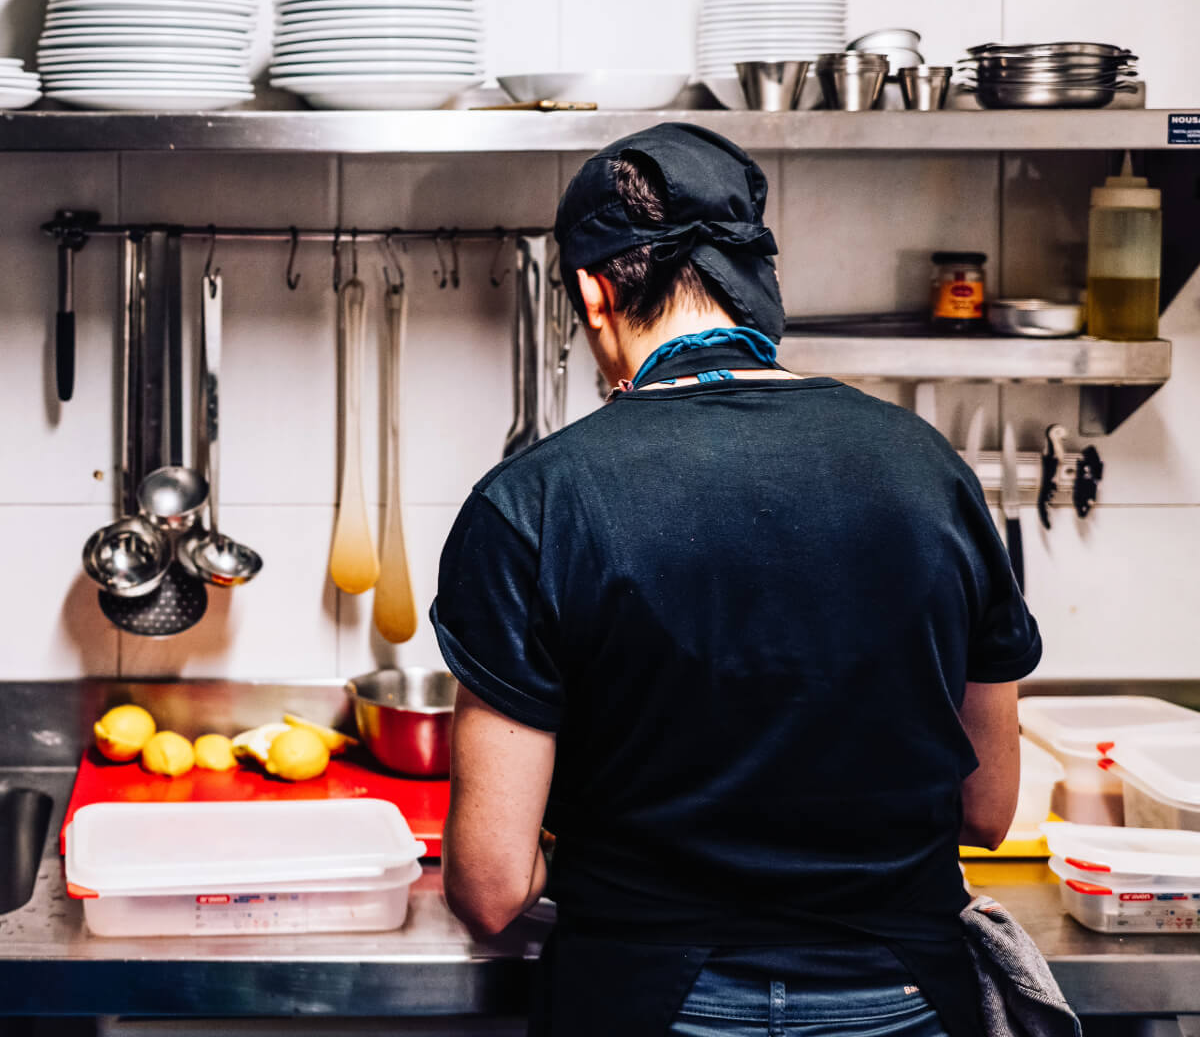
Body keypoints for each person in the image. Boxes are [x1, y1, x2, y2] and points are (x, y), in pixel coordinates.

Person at [431, 123, 1040, 1037]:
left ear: (596, 292)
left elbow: (489, 888)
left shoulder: (534, 500)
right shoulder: (927, 468)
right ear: (750, 280)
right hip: (905, 998)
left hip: (646, 1000)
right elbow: (988, 809)